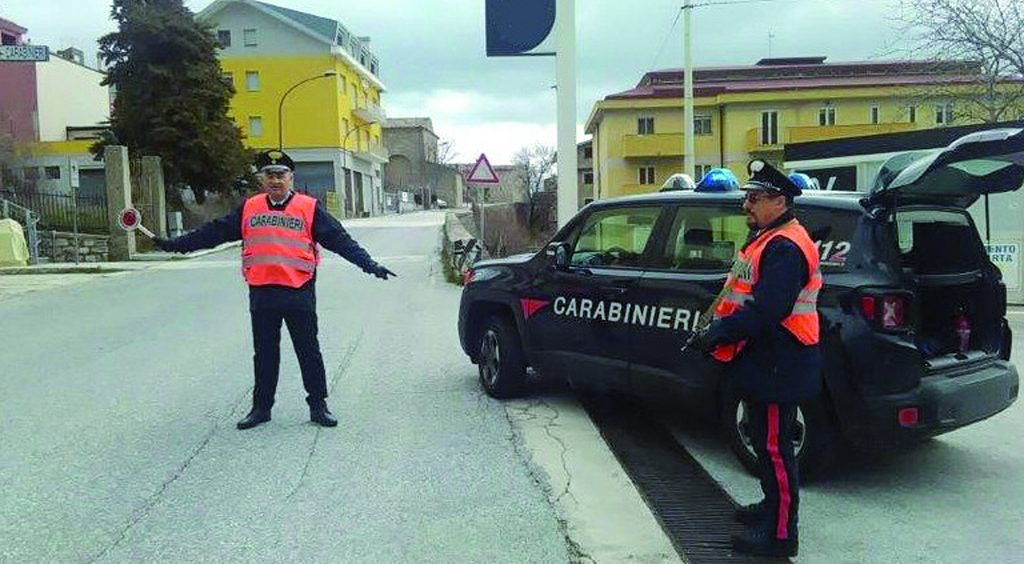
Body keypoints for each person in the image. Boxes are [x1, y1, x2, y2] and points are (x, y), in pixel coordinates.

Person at [153, 149, 396, 430]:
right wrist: (176, 245)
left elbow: (340, 241)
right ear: (261, 179)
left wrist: (369, 265)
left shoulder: (308, 207)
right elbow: (213, 233)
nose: (275, 180)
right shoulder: (249, 208)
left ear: (291, 178)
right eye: (269, 175)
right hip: (262, 292)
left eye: (281, 174)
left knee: (309, 351)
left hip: (299, 291)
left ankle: (318, 406)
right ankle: (261, 408)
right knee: (265, 354)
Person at [687, 159, 822, 558]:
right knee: (764, 444)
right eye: (747, 196)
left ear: (779, 201)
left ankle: (781, 536)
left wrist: (719, 333)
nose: (746, 204)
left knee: (777, 450)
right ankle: (770, 507)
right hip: (765, 359)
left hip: (782, 361)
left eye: (754, 198)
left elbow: (768, 309)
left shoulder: (785, 247)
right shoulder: (768, 237)